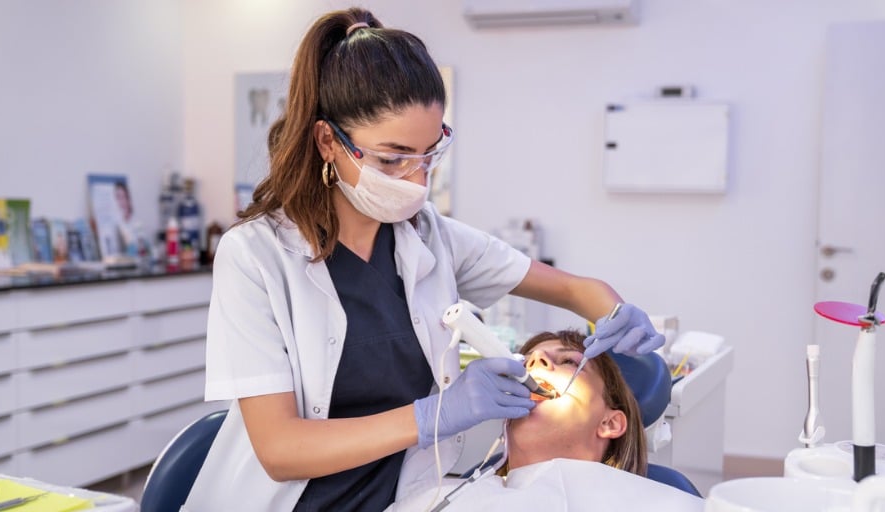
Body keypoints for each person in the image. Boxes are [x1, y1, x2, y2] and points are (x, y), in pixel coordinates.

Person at [183, 7, 665, 511]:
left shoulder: (431, 239)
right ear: (330, 141)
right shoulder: (255, 256)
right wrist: (435, 415)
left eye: (429, 155)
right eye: (393, 158)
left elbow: (572, 289)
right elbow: (281, 450)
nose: (416, 181)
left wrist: (611, 309)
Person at [387, 331, 703, 511]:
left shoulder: (659, 505)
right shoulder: (440, 500)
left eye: (567, 361)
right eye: (526, 362)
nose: (536, 362)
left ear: (610, 423)